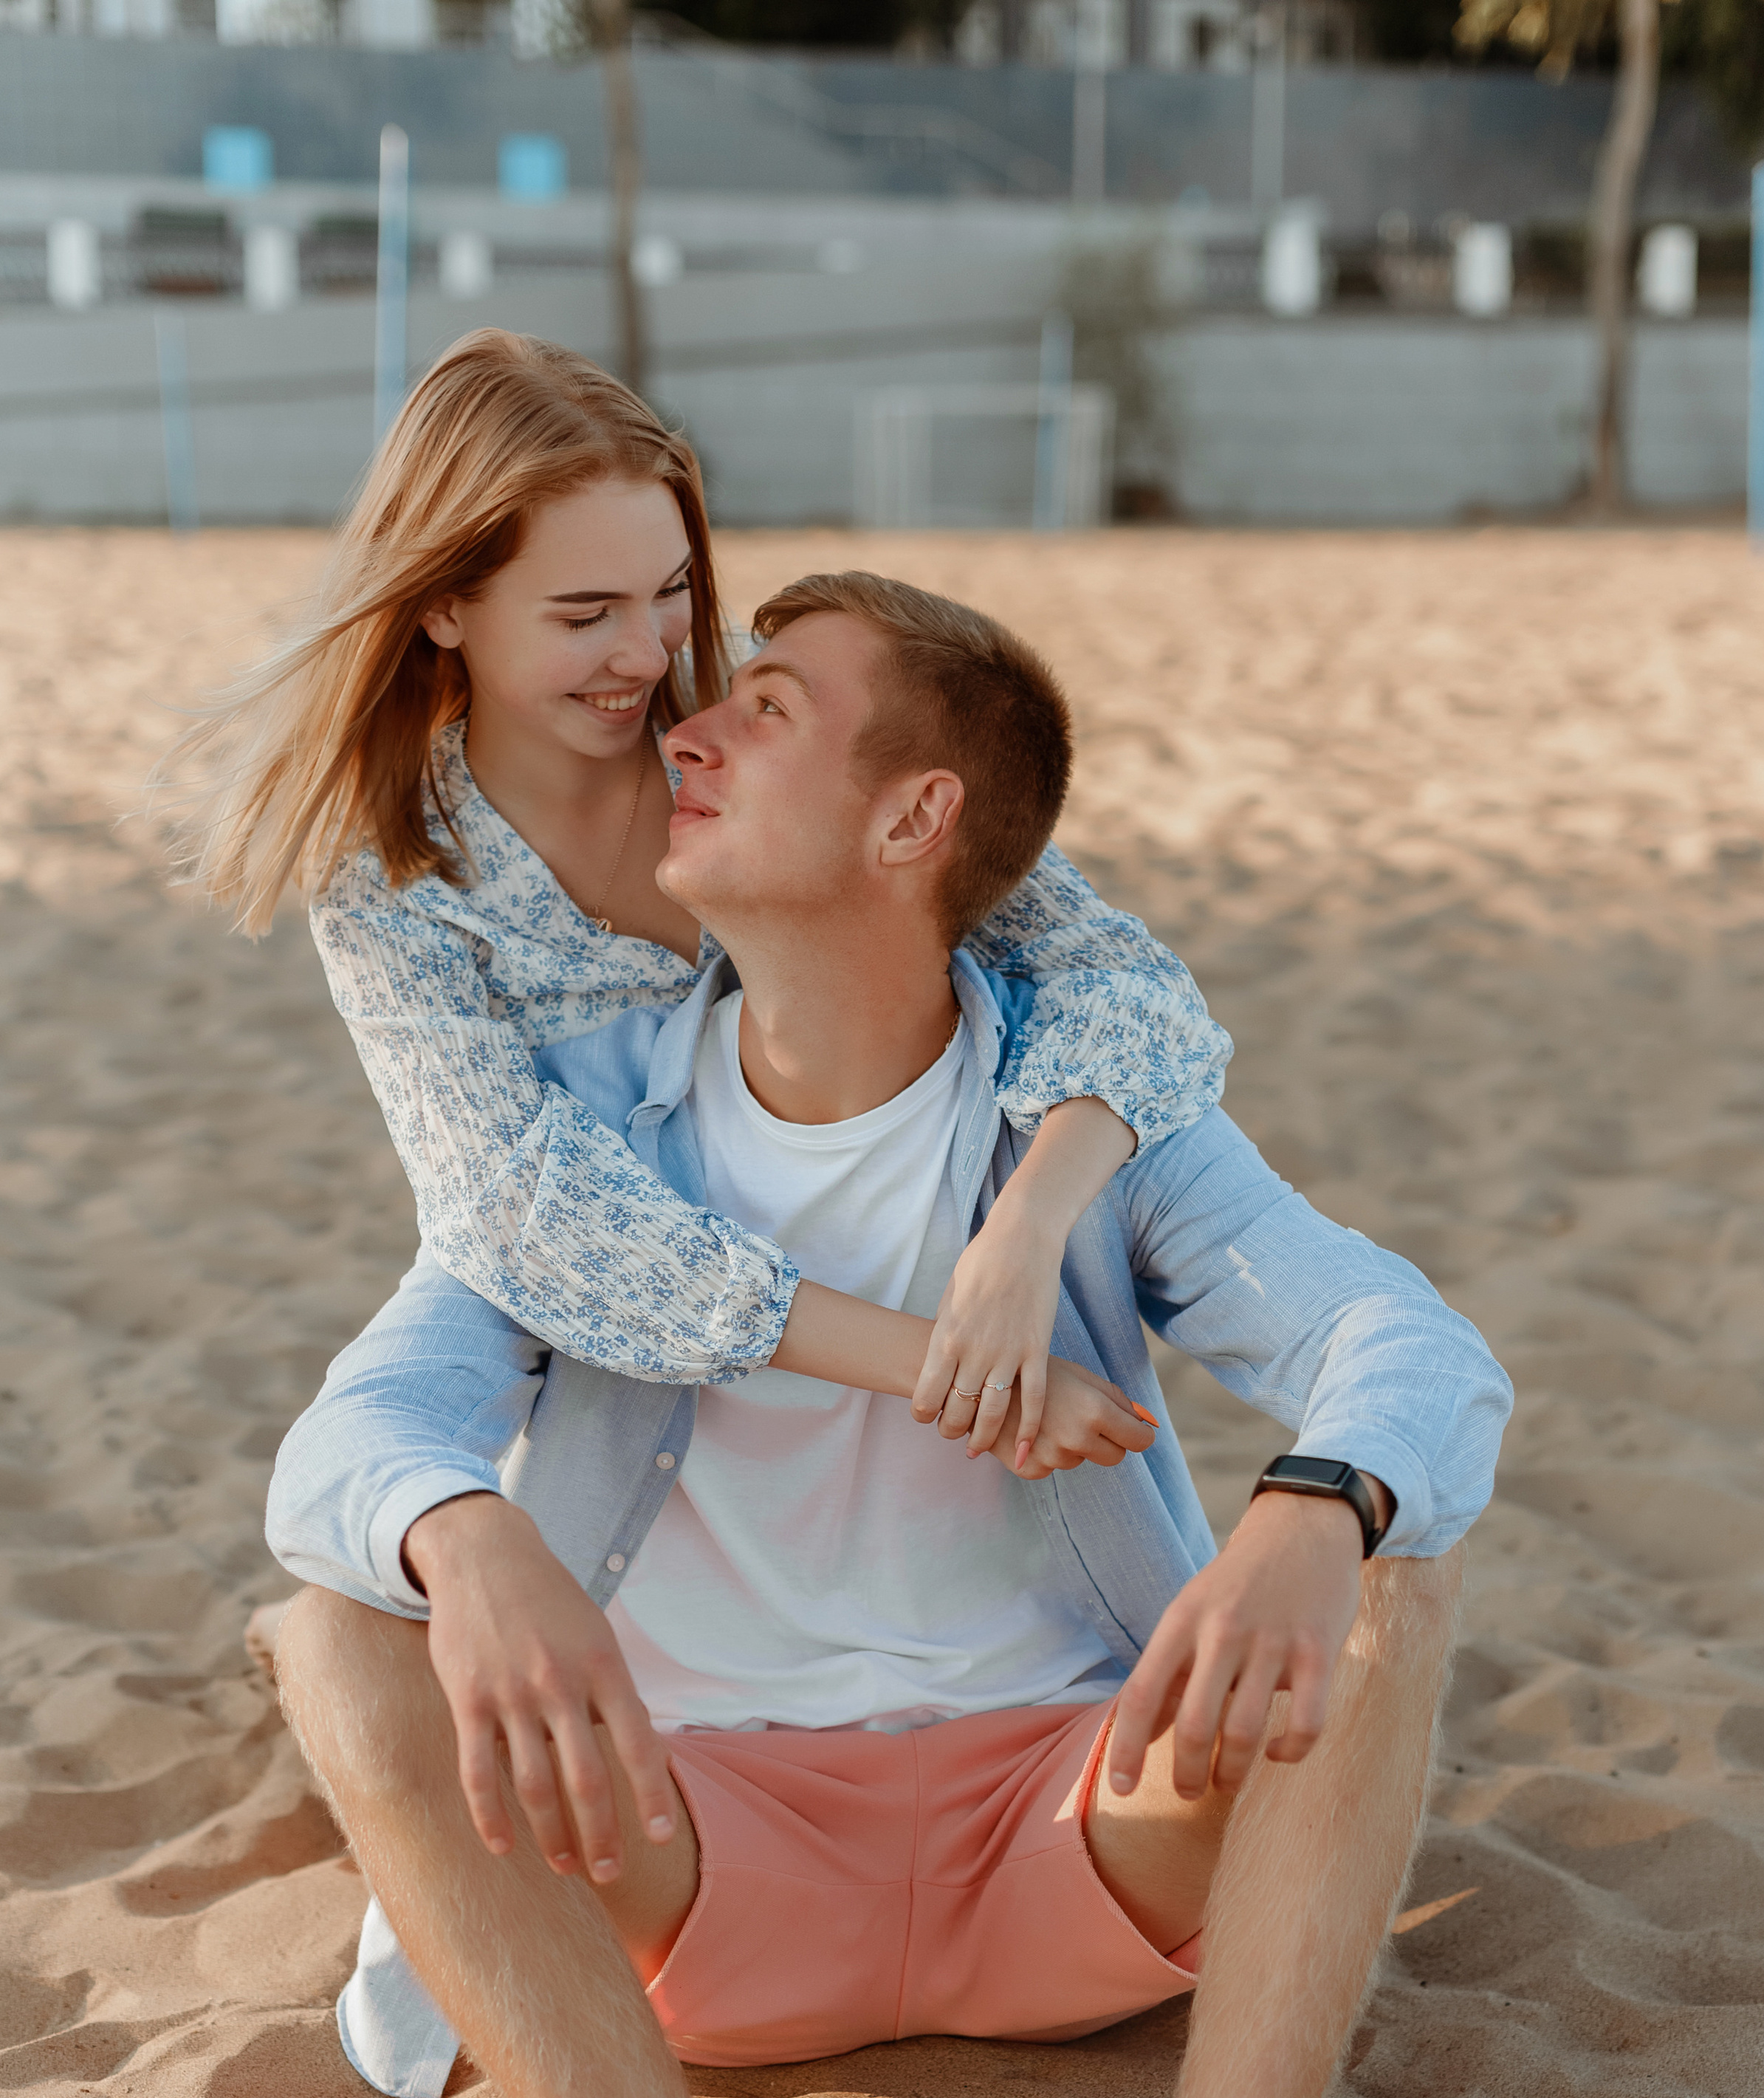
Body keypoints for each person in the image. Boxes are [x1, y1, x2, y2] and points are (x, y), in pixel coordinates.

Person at [267, 572, 1511, 2098]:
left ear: (912, 819)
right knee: (336, 1632)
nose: (687, 726)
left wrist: (1317, 1500)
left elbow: (1413, 1345)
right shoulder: (590, 1142)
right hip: (701, 1867)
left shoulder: (1098, 1131)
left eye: (760, 705)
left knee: (1386, 1588)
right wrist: (457, 1535)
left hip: (1077, 1844)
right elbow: (352, 1439)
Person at [185, 330, 1234, 1490]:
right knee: (364, 1480)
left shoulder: (769, 721)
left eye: (672, 589)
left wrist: (1026, 1235)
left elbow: (1121, 980)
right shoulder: (390, 870)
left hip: (892, 1205)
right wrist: (948, 1360)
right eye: (584, 615)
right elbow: (524, 1221)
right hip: (632, 1316)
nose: (646, 655)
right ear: (441, 607)